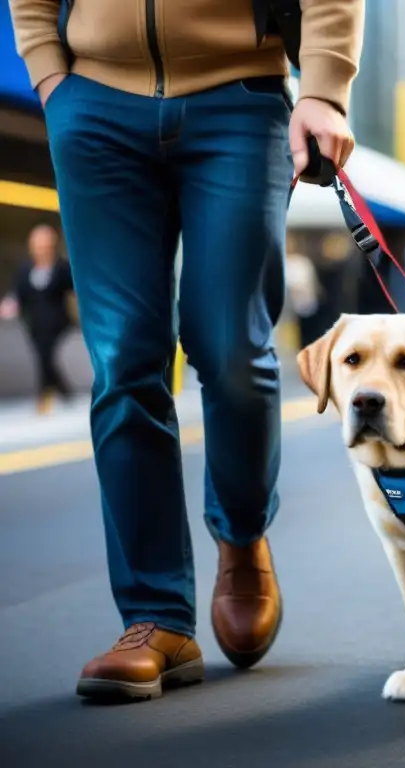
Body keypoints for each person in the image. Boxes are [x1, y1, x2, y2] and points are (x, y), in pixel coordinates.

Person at [11, 0, 365, 700]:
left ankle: (240, 537)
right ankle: (156, 617)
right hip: (95, 102)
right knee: (122, 364)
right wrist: (53, 76)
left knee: (231, 346)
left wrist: (323, 86)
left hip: (238, 96)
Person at [0, 224, 77, 414]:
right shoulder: (25, 270)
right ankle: (63, 390)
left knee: (46, 356)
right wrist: (9, 305)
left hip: (58, 323)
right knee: (43, 357)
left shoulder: (61, 267)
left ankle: (45, 395)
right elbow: (17, 294)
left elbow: (75, 289)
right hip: (34, 324)